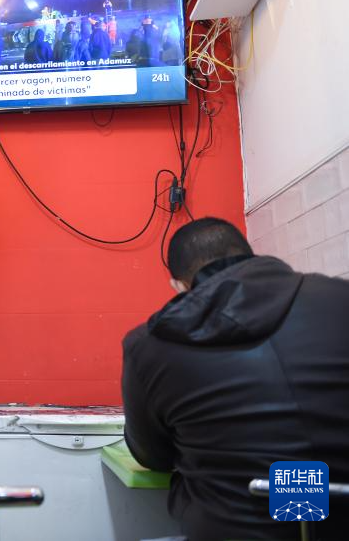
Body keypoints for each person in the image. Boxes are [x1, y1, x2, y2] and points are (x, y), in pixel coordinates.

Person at [122, 217, 349, 541]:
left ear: (179, 286)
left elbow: (153, 457)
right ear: (249, 255)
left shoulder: (148, 344)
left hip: (235, 529)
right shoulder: (339, 297)